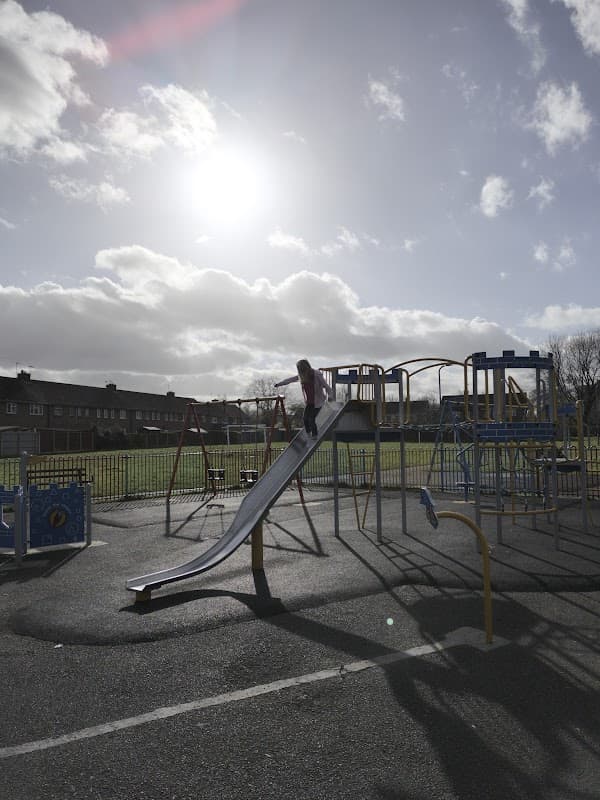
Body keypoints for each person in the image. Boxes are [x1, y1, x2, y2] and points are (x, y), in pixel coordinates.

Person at [274, 359, 334, 438]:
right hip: (309, 402)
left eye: (302, 370)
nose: (302, 373)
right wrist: (279, 384)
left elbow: (327, 387)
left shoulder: (316, 375)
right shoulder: (301, 376)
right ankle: (308, 432)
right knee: (305, 418)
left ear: (306, 368)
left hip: (318, 402)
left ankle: (315, 434)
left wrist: (330, 396)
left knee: (311, 419)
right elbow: (290, 380)